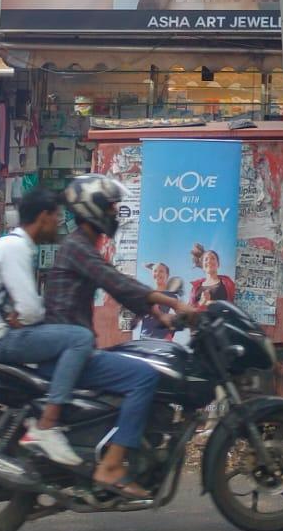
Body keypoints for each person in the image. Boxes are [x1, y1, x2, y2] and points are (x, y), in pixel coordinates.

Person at [46, 176, 188, 498]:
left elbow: (119, 289)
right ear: (92, 210)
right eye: (110, 207)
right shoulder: (77, 248)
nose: (114, 213)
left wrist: (159, 315)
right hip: (69, 352)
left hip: (70, 347)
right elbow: (117, 282)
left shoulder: (79, 247)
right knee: (143, 377)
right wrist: (174, 302)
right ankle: (110, 465)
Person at [0, 189, 91, 467]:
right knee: (80, 339)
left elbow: (19, 308)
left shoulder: (10, 245)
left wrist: (23, 318)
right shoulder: (15, 247)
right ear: (43, 217)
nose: (59, 222)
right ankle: (47, 425)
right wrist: (32, 318)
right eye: (57, 216)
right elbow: (31, 310)